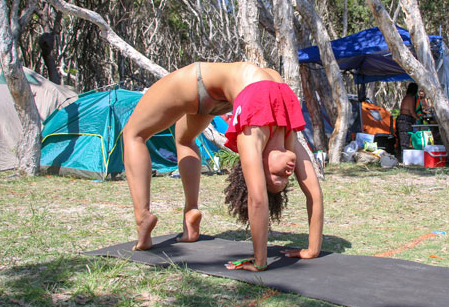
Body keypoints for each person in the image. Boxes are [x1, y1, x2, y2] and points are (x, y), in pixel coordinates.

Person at [122, 62, 323, 272]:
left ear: (259, 162)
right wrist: (312, 248)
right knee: (183, 140)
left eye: (276, 177)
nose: (287, 172)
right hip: (213, 91)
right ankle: (190, 214)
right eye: (284, 179)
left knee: (134, 134)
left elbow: (257, 199)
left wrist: (259, 261)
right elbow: (314, 194)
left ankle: (144, 217)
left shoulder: (252, 135)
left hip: (198, 85)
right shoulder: (286, 130)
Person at [396, 83, 418, 153]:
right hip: (405, 120)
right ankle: (405, 158)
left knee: (403, 140)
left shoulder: (407, 97)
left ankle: (403, 155)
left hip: (402, 119)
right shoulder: (411, 98)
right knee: (405, 141)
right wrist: (418, 118)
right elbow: (412, 111)